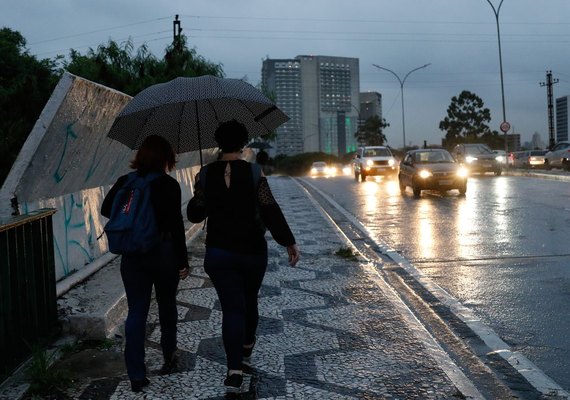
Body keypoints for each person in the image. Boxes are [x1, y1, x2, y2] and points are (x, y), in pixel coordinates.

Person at [187, 120, 300, 392]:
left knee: (232, 309)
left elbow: (194, 215)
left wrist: (200, 193)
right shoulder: (254, 173)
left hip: (218, 252)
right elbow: (269, 208)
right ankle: (248, 342)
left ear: (218, 143)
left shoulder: (205, 174)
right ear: (243, 144)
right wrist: (288, 241)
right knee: (249, 301)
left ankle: (234, 371)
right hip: (251, 251)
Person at [101, 135, 190, 392]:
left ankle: (136, 374)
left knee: (137, 310)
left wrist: (134, 215)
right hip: (163, 252)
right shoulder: (168, 185)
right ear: (166, 158)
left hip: (132, 254)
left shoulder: (125, 181)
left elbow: (108, 209)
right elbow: (176, 227)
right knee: (166, 305)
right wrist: (182, 261)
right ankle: (169, 356)